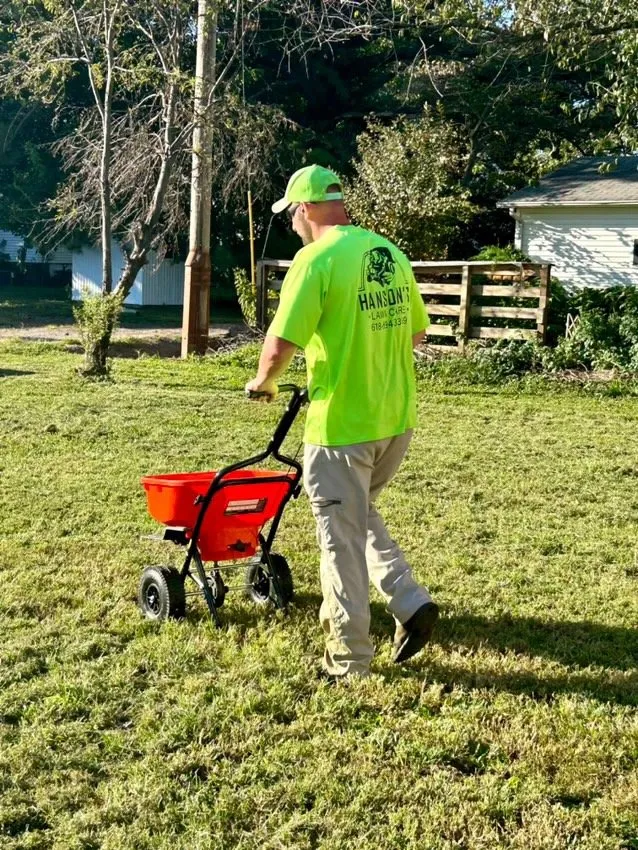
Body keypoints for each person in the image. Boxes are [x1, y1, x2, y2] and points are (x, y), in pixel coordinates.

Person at [246, 164, 439, 679]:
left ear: (305, 207)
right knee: (356, 514)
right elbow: (416, 334)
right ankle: (409, 600)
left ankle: (348, 659)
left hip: (341, 427)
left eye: (291, 213)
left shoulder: (315, 260)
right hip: (394, 419)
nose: (292, 223)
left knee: (339, 540)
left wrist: (263, 382)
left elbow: (281, 342)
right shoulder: (387, 252)